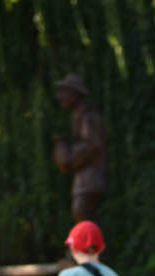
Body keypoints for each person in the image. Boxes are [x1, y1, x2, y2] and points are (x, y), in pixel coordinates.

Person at [51, 73, 106, 222]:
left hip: (90, 180)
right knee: (80, 215)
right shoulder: (78, 117)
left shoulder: (89, 116)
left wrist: (69, 157)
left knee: (82, 213)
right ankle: (86, 244)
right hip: (83, 181)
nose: (59, 96)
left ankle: (90, 245)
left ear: (75, 94)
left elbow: (92, 144)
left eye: (64, 92)